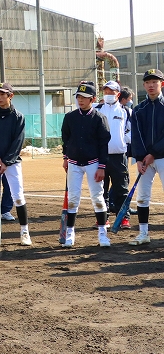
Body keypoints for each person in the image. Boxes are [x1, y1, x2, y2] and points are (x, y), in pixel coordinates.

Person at [0, 82, 32, 246]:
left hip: (12, 162)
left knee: (18, 196)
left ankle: (24, 232)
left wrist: (6, 161)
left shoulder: (18, 117)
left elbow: (18, 142)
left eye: (3, 94)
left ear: (10, 96)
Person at [60, 82, 112, 247]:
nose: (81, 100)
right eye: (78, 97)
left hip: (93, 163)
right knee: (73, 199)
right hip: (74, 163)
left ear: (93, 99)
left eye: (85, 98)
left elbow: (104, 144)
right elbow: (66, 139)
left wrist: (102, 166)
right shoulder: (70, 117)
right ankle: (69, 234)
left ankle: (102, 234)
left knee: (97, 198)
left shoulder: (99, 118)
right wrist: (65, 157)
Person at [128, 69, 164, 246]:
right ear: (143, 85)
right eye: (148, 82)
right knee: (142, 197)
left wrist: (153, 153)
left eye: (155, 82)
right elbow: (136, 136)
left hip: (162, 157)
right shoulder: (138, 109)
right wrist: (140, 158)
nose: (151, 85)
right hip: (145, 160)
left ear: (161, 84)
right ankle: (143, 233)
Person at [96, 80, 131, 229]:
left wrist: (122, 140)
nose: (108, 95)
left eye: (111, 92)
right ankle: (103, 218)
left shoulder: (126, 111)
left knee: (121, 188)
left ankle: (123, 218)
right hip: (100, 156)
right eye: (106, 92)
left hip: (119, 156)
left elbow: (131, 131)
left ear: (118, 94)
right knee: (100, 189)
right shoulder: (97, 109)